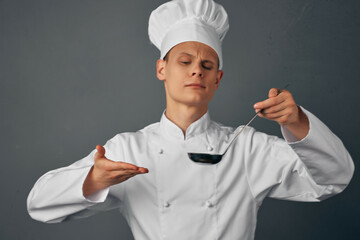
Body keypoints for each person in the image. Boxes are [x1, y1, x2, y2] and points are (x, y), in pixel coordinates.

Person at [27, 0, 354, 239]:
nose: (197, 69)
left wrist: (296, 121)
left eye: (208, 65)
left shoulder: (247, 147)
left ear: (218, 78)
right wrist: (94, 180)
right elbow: (39, 205)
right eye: (185, 61)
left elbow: (332, 180)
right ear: (161, 70)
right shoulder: (130, 149)